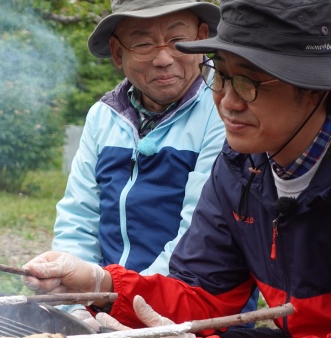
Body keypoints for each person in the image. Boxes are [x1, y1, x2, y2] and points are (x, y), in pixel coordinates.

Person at [23, 0, 331, 336]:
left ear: (316, 87)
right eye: (222, 76)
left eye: (249, 83)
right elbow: (203, 294)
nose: (227, 102)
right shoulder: (240, 169)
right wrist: (102, 285)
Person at [51, 0, 257, 330]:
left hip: (194, 314)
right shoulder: (103, 116)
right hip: (103, 304)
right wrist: (74, 302)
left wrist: (124, 305)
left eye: (178, 41)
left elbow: (196, 236)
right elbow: (79, 216)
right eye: (143, 43)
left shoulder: (225, 115)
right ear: (118, 53)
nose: (163, 59)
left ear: (202, 39)